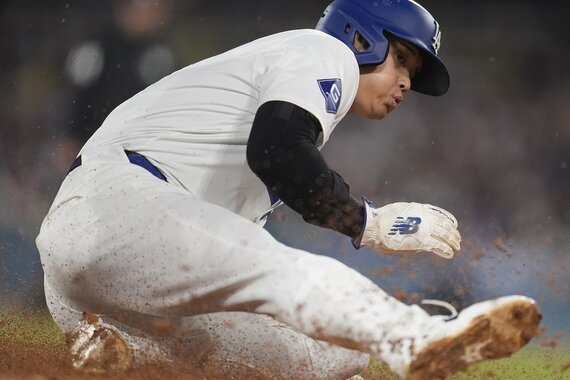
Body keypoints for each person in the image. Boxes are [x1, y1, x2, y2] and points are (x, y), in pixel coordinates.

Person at [36, 0, 541, 379]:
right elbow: (277, 150)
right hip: (118, 207)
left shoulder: (289, 90)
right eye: (403, 59)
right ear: (362, 38)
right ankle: (416, 336)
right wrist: (372, 223)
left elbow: (276, 156)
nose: (406, 82)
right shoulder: (323, 51)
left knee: (332, 358)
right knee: (276, 270)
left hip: (100, 274)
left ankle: (122, 352)